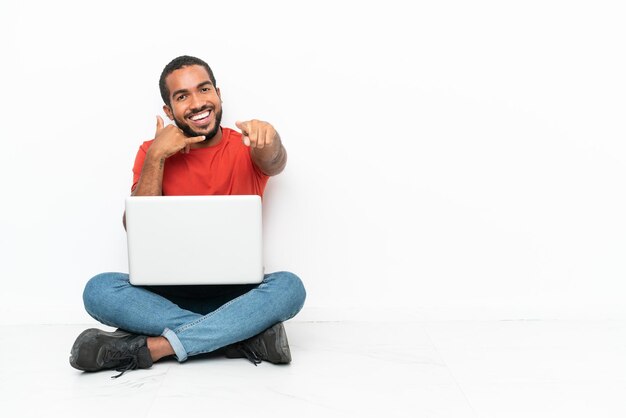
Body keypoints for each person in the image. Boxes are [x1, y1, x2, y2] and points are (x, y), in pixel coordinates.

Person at [69, 55, 306, 377]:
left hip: (237, 295)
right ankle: (239, 338)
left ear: (218, 94)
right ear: (169, 111)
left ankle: (155, 348)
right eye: (182, 96)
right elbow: (134, 226)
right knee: (98, 290)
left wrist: (271, 141)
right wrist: (156, 156)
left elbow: (274, 161)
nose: (197, 103)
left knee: (290, 287)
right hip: (164, 296)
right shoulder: (152, 152)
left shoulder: (247, 147)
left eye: (204, 89)